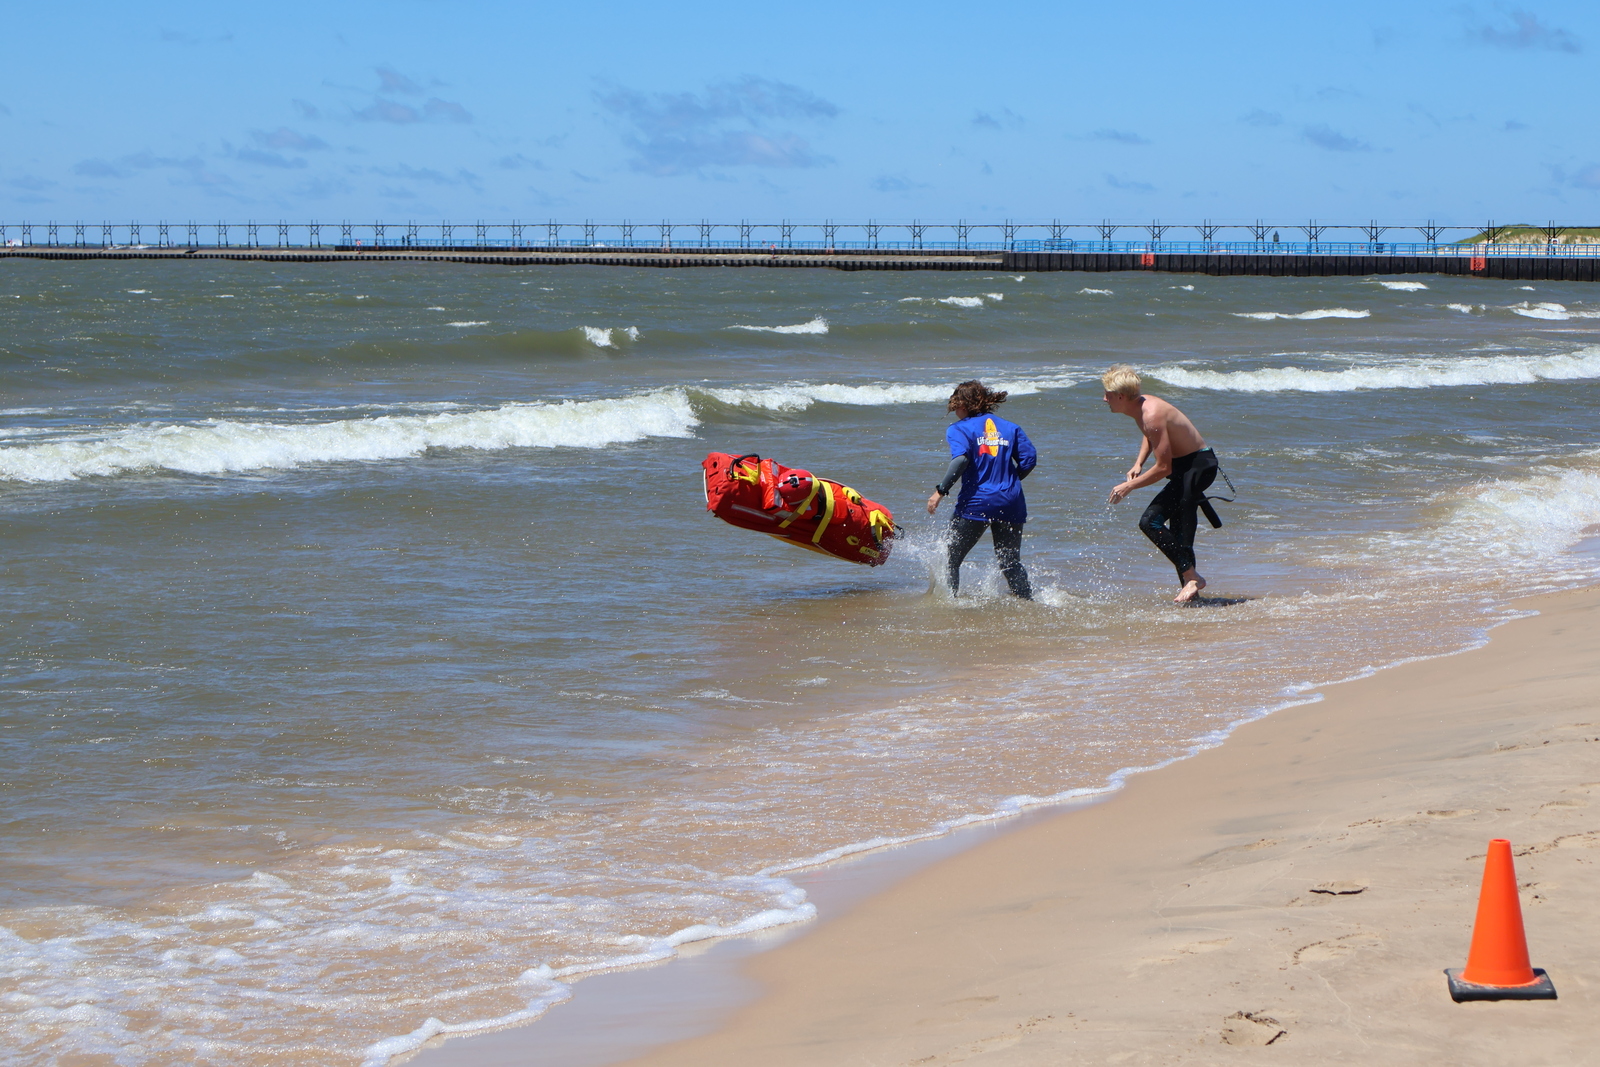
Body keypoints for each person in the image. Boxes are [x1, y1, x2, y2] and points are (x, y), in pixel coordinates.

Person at [1102, 364, 1218, 603]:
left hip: (1196, 468)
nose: (1104, 399)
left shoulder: (1151, 413)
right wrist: (1138, 463)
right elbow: (1151, 434)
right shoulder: (1140, 407)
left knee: (1150, 521)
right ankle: (1192, 594)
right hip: (1187, 467)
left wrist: (1128, 486)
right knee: (1179, 532)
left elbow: (1164, 467)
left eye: (1108, 395)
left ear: (1121, 397)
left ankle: (1193, 578)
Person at [925, 380, 1036, 599]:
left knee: (951, 558)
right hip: (1011, 501)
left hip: (977, 502)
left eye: (955, 404)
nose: (954, 410)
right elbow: (1029, 459)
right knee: (1010, 562)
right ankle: (1029, 604)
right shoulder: (1010, 427)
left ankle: (950, 607)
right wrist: (1010, 481)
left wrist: (940, 491)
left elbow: (960, 460)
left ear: (963, 404)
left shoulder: (959, 428)